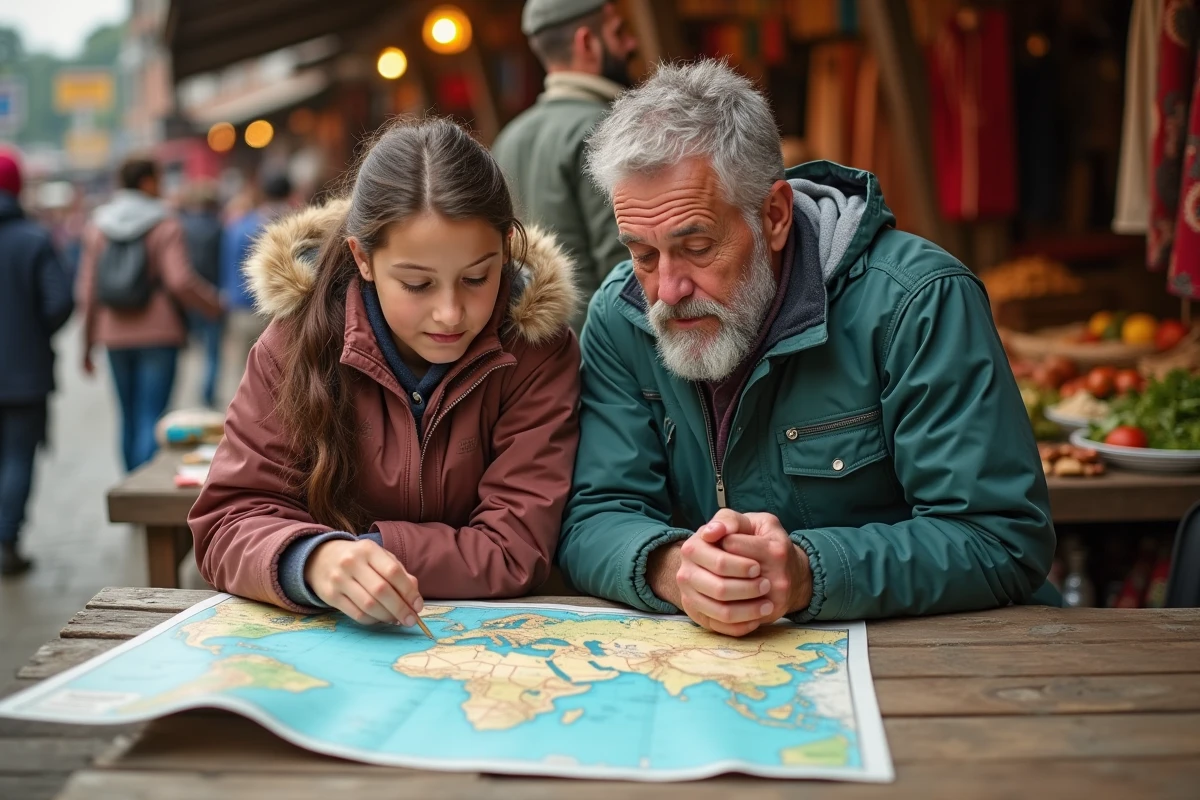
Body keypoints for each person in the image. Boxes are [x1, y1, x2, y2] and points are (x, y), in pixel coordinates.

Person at [557, 60, 1057, 637]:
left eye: (696, 246)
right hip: (726, 677)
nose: (667, 290)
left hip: (941, 666)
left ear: (773, 215)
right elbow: (595, 517)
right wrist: (670, 567)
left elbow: (1001, 537)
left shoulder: (916, 302)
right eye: (642, 254)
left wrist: (805, 573)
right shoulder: (621, 316)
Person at [189, 118, 582, 622]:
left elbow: (515, 546)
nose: (450, 313)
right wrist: (311, 561)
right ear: (364, 258)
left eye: (478, 278)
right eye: (417, 284)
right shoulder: (291, 344)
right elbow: (228, 520)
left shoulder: (536, 350)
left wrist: (369, 551)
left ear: (506, 249)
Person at [492, 0, 637, 324]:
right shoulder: (607, 127)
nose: (632, 43)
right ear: (587, 41)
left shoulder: (507, 138)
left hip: (543, 360)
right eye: (620, 31)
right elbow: (630, 268)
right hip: (608, 357)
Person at [77, 158, 223, 472]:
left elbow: (87, 291)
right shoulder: (165, 223)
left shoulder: (98, 226)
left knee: (128, 416)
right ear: (146, 182)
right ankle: (142, 497)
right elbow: (180, 280)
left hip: (113, 333)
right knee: (151, 416)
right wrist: (211, 304)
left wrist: (86, 344)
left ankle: (130, 489)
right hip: (159, 332)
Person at [0, 151, 74, 577]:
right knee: (17, 457)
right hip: (23, 373)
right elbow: (60, 300)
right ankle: (7, 540)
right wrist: (33, 331)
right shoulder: (33, 239)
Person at [219, 172, 293, 367]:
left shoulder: (240, 226)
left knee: (246, 375)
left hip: (241, 307)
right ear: (290, 193)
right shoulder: (296, 224)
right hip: (282, 311)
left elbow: (227, 265)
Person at [179, 182, 225, 408]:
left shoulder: (182, 227)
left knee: (195, 345)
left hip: (190, 296)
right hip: (215, 296)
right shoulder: (219, 228)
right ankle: (207, 391)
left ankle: (198, 387)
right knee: (213, 350)